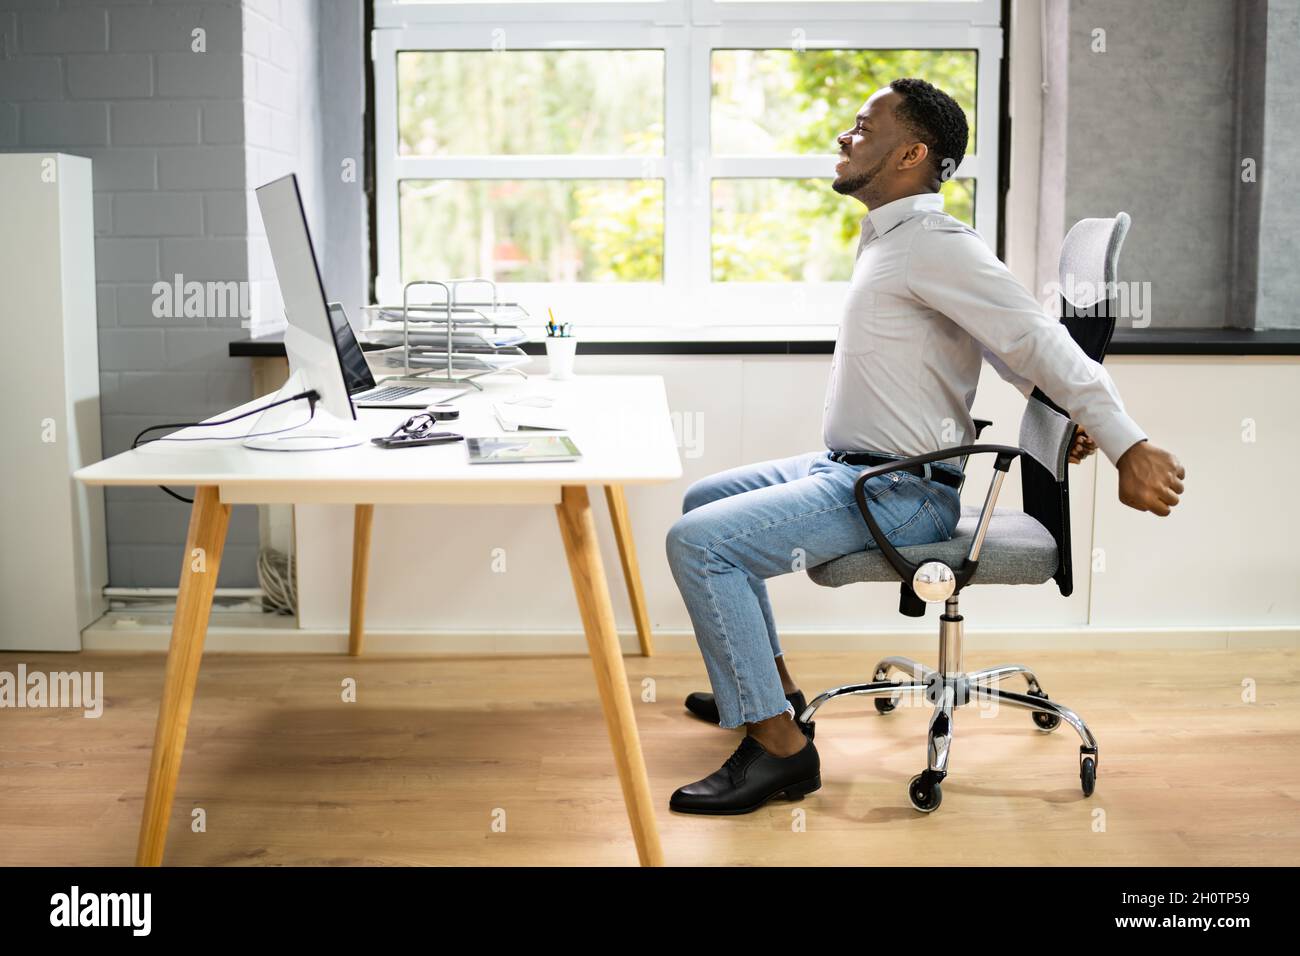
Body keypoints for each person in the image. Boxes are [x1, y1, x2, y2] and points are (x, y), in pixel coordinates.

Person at [665, 77, 1186, 815]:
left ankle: (780, 750)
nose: (844, 138)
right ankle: (767, 692)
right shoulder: (892, 240)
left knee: (699, 542)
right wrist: (1060, 421)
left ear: (911, 153)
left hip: (900, 493)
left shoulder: (939, 245)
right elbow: (1012, 357)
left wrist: (1127, 442)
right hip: (851, 468)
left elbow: (1040, 343)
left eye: (862, 128)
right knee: (703, 501)